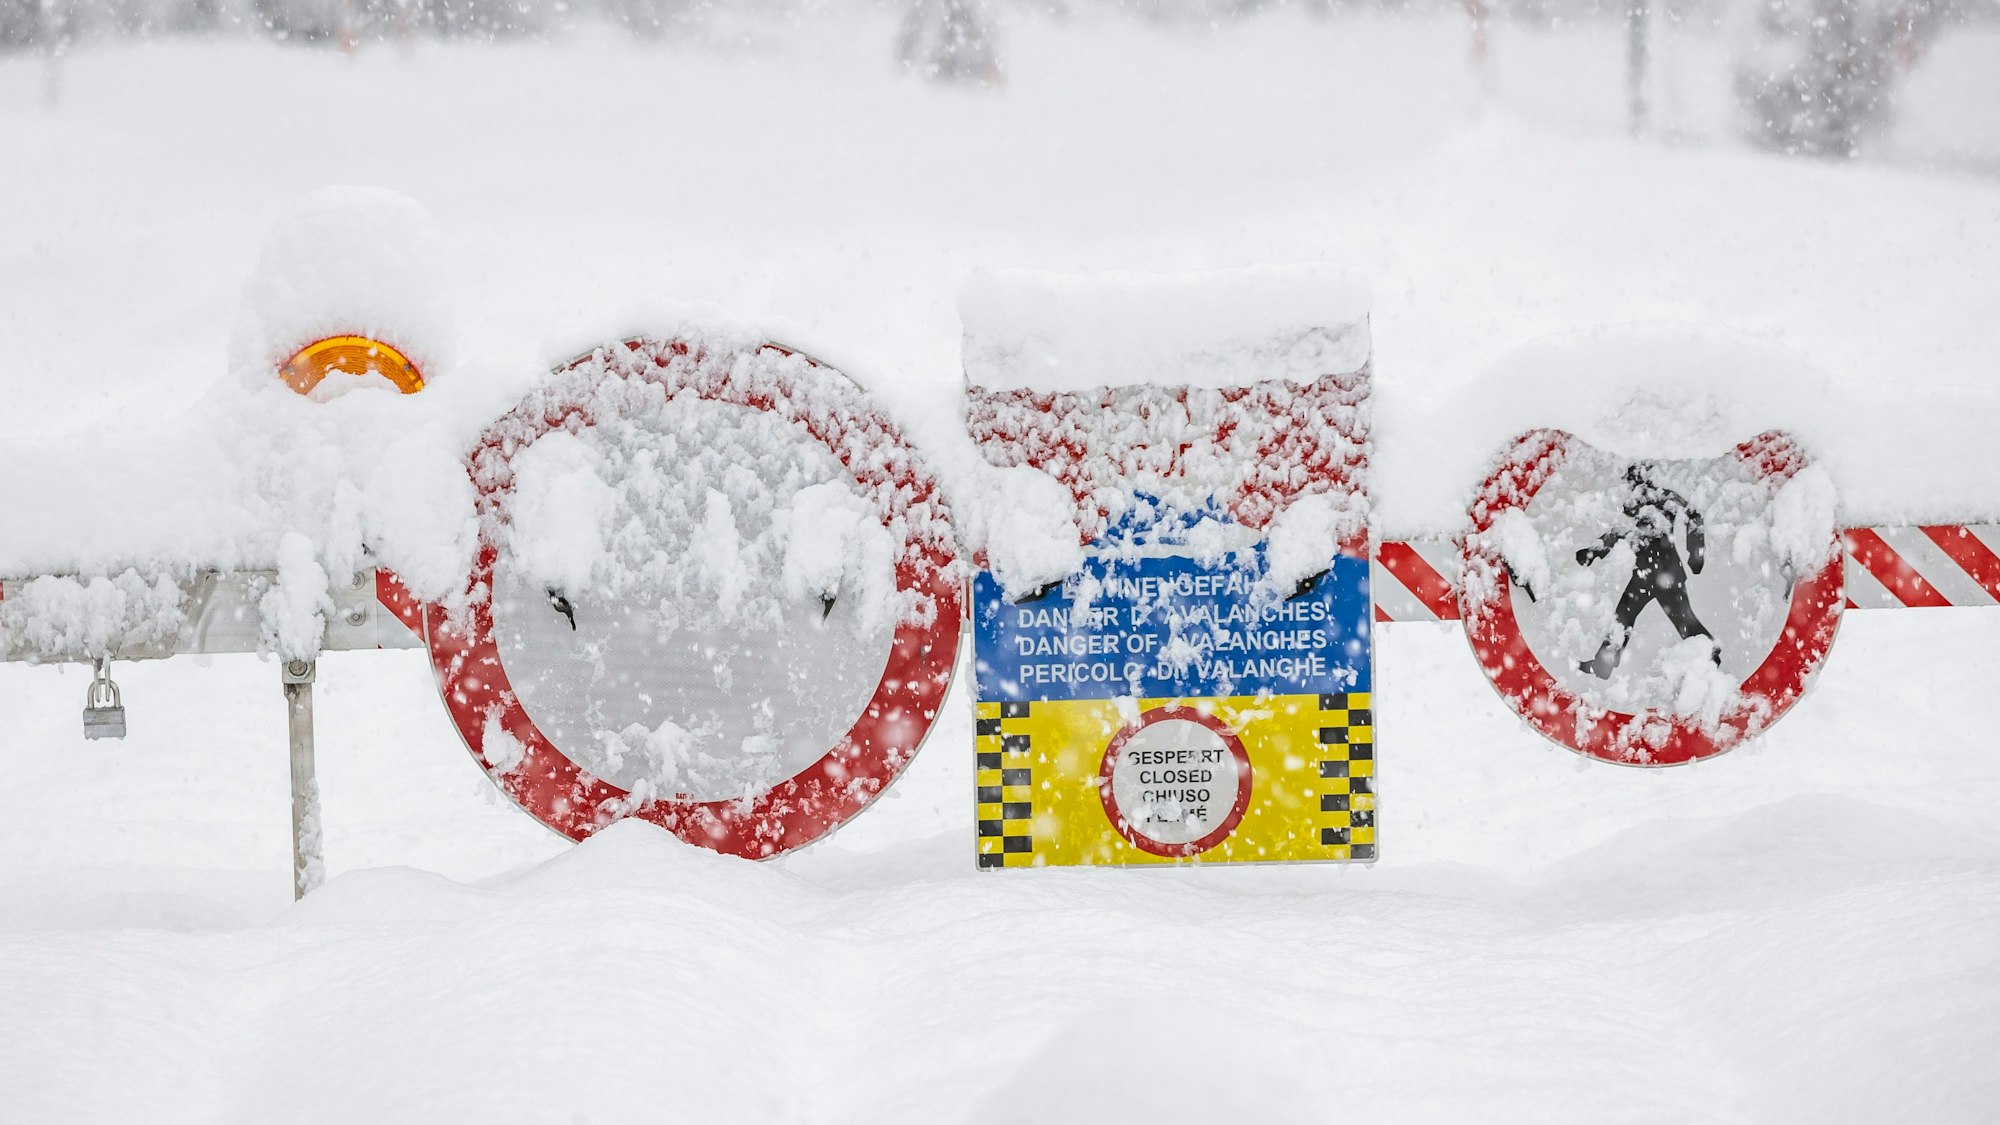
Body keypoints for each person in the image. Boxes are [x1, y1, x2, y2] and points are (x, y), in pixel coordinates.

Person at [1575, 464, 1718, 679]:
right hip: (1645, 574)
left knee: (1683, 620)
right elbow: (1622, 529)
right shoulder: (1637, 502)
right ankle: (1604, 664)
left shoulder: (1661, 498)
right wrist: (1594, 551)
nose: (1630, 483)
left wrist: (1696, 553)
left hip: (1665, 574)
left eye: (1633, 478)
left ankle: (1711, 655)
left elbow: (1693, 515)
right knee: (1623, 617)